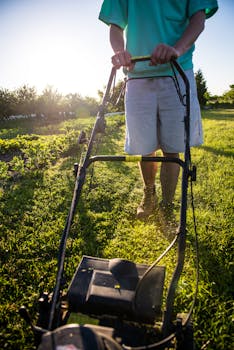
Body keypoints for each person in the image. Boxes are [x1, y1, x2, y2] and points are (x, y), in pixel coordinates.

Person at [99, 0, 218, 219]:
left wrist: (177, 49)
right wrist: (120, 51)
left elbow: (198, 18)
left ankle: (168, 204)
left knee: (173, 147)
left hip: (177, 70)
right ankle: (149, 193)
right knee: (145, 146)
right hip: (136, 74)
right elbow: (115, 25)